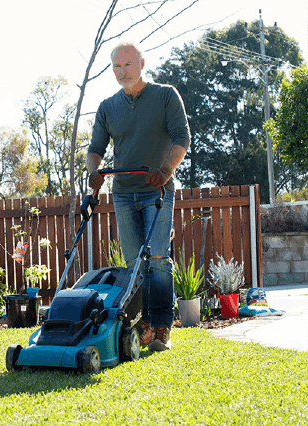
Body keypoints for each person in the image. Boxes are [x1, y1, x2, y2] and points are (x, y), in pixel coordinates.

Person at [86, 41, 190, 352]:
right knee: (135, 265)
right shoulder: (108, 107)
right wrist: (94, 172)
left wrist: (166, 169)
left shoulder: (165, 96)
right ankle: (142, 325)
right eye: (117, 66)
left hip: (157, 190)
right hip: (123, 193)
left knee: (157, 259)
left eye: (127, 65)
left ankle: (161, 327)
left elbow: (182, 137)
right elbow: (95, 150)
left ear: (142, 64)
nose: (122, 72)